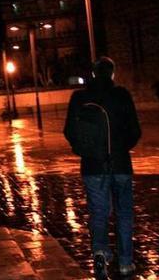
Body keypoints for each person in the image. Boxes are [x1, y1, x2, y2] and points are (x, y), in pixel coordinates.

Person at [64, 57, 141, 279]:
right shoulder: (122, 95)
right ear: (113, 74)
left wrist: (85, 151)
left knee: (98, 212)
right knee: (124, 213)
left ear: (94, 74)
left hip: (92, 166)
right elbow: (135, 130)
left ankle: (100, 253)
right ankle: (126, 263)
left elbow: (69, 131)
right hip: (121, 165)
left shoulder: (79, 97)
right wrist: (121, 148)